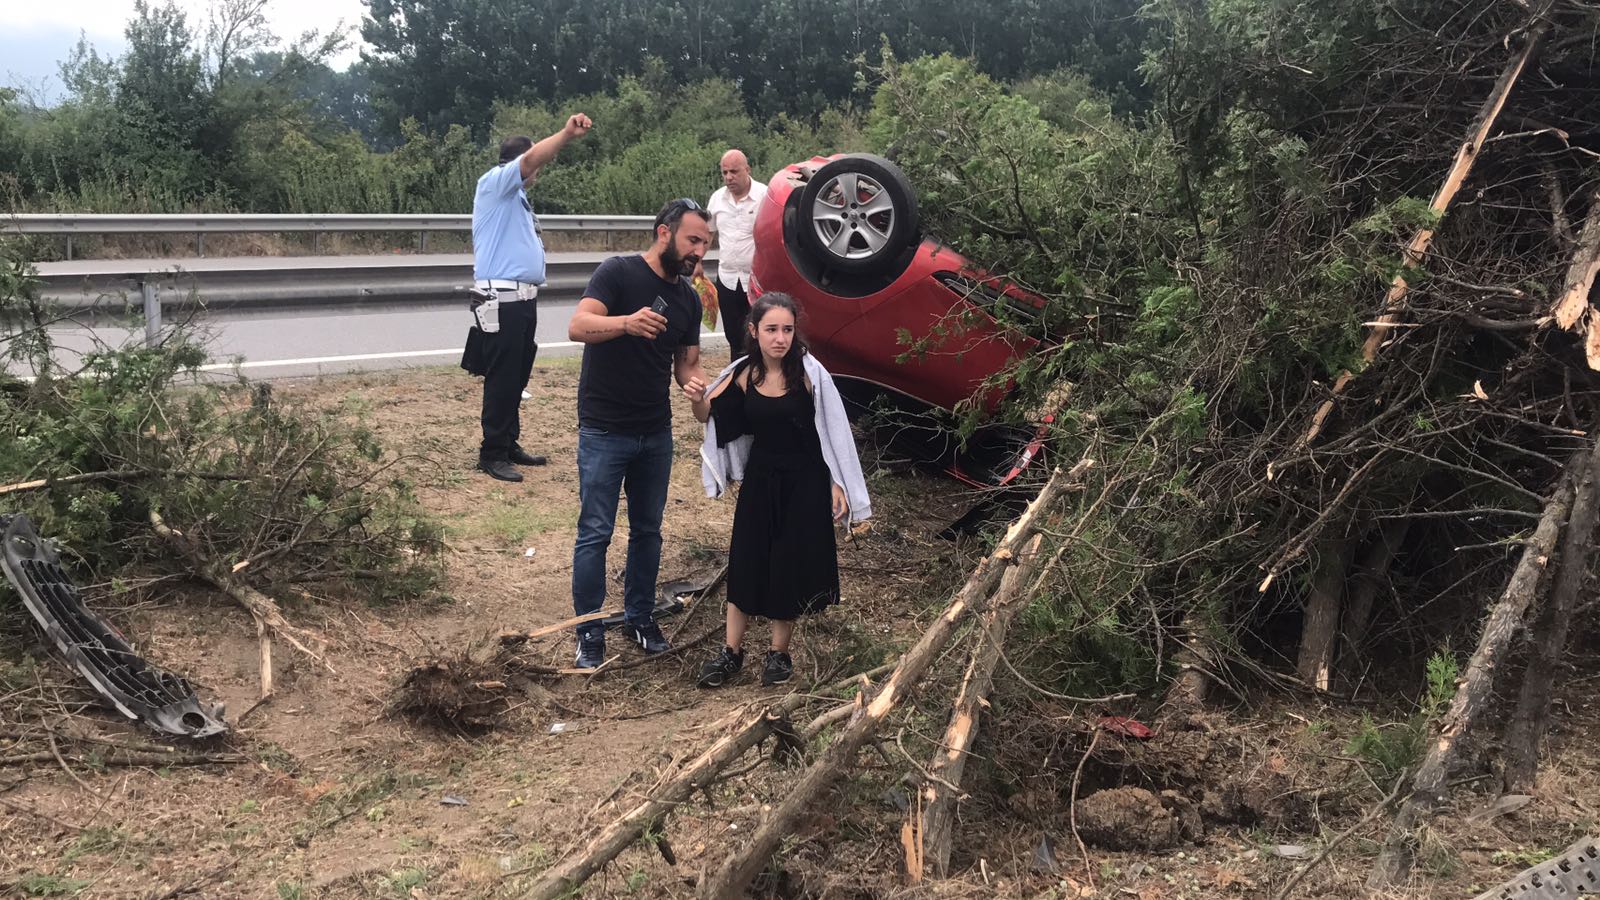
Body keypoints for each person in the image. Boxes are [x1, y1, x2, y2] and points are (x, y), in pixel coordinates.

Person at [689, 292, 872, 687]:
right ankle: (731, 653)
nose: (780, 338)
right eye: (771, 329)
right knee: (747, 560)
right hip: (762, 479)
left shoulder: (810, 375)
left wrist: (836, 482)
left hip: (803, 481)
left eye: (787, 329)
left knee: (787, 563)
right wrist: (696, 400)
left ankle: (778, 655)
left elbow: (830, 434)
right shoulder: (743, 373)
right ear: (754, 331)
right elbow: (714, 417)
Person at [566, 198, 712, 669]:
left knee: (648, 531)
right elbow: (577, 325)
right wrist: (626, 323)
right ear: (664, 233)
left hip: (655, 431)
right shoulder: (618, 272)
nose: (699, 253)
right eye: (693, 241)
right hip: (604, 429)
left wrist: (694, 383)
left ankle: (640, 617)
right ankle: (589, 630)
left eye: (705, 244)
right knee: (595, 532)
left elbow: (686, 362)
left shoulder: (688, 298)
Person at [470, 113, 592, 483]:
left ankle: (508, 442)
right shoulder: (496, 182)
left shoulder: (515, 197)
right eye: (532, 161)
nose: (536, 168)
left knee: (516, 375)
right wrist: (566, 135)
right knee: (502, 377)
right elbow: (531, 159)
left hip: (521, 299)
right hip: (502, 299)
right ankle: (491, 453)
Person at [704, 149, 768, 356]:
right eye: (724, 173)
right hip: (728, 278)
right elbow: (707, 234)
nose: (729, 177)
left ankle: (760, 378)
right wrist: (697, 261)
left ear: (747, 169)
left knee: (758, 334)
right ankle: (736, 379)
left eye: (734, 171)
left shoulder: (764, 196)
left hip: (757, 279)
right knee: (733, 335)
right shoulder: (717, 199)